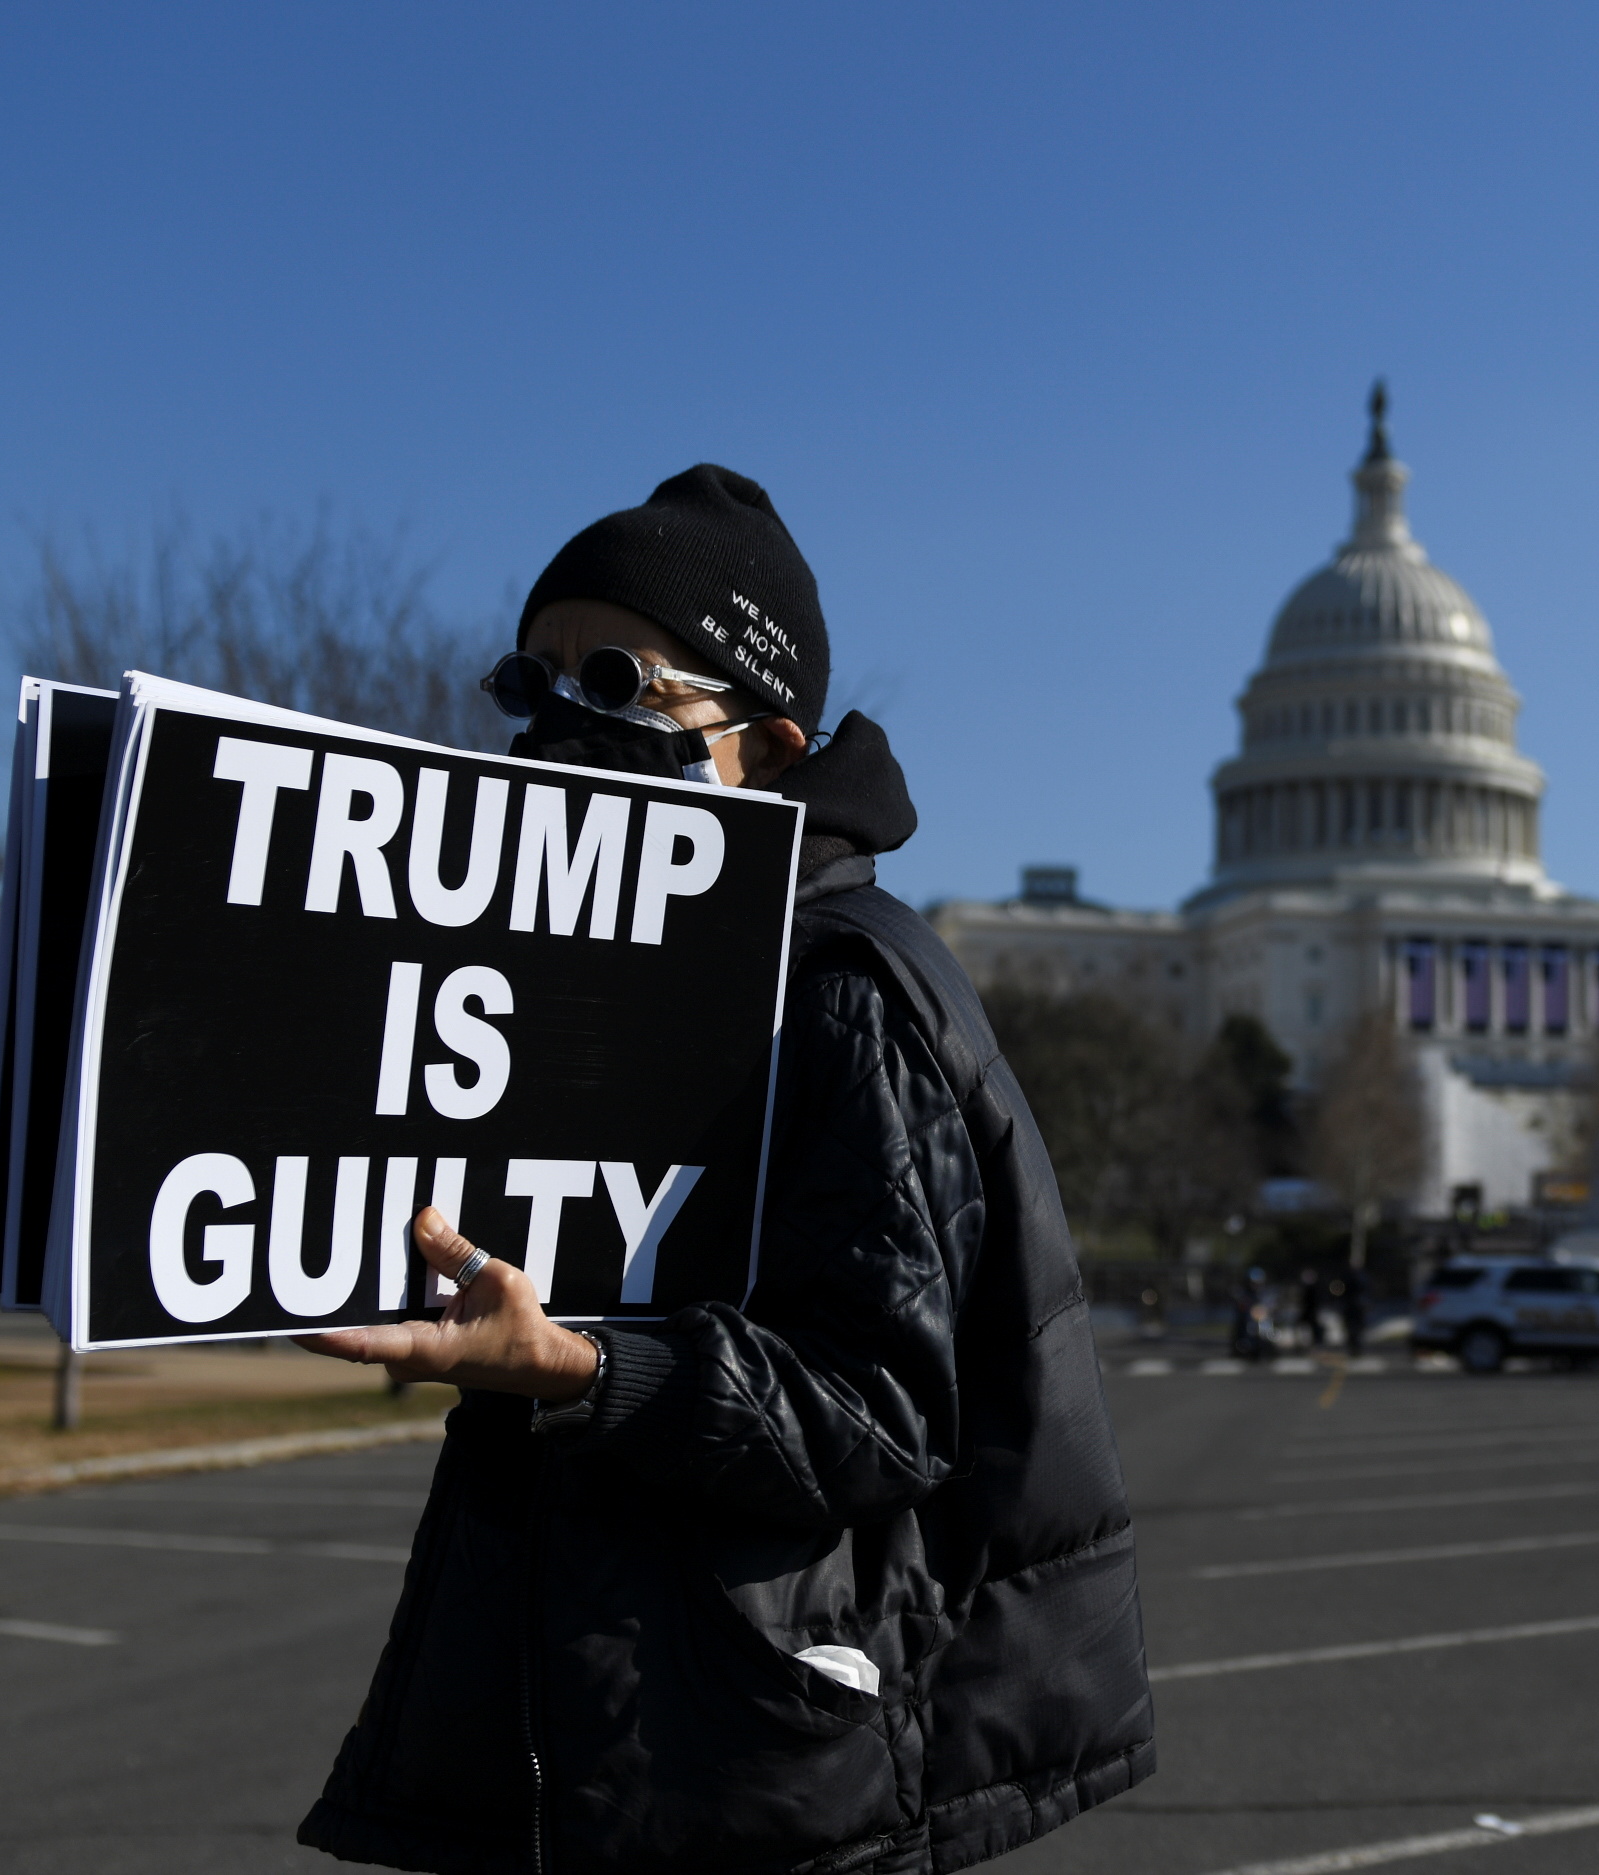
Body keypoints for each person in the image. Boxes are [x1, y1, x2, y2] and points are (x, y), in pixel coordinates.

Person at [290, 466, 1155, 1875]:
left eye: (624, 683)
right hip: (587, 1718)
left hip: (755, 1743)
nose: (568, 718)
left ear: (763, 740)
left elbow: (879, 1411)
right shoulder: (574, 973)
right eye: (535, 679)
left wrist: (587, 1372)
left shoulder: (840, 986)